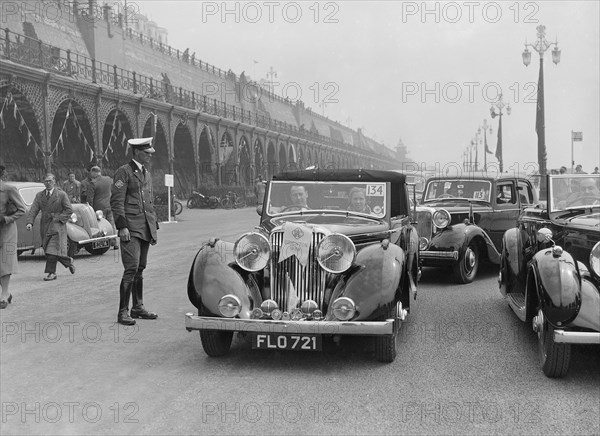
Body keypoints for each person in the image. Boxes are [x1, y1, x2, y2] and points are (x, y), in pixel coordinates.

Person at [111, 137, 159, 326]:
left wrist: (154, 224)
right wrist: (122, 226)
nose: (149, 156)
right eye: (147, 153)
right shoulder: (124, 172)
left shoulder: (145, 172)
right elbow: (116, 201)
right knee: (131, 268)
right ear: (138, 152)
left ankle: (137, 307)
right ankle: (122, 312)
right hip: (130, 227)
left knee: (140, 268)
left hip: (145, 226)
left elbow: (148, 200)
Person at [26, 173, 75, 281]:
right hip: (45, 225)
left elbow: (69, 210)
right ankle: (68, 261)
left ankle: (51, 273)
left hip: (57, 226)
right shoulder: (40, 195)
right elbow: (34, 209)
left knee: (51, 249)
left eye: (50, 181)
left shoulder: (61, 195)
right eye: (46, 181)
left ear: (54, 182)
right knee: (48, 248)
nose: (48, 183)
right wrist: (30, 222)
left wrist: (58, 217)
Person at [0, 164, 27, 308]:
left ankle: (4, 295)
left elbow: (22, 209)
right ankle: (7, 293)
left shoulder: (9, 190)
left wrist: (6, 219)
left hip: (6, 231)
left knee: (4, 263)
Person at [88, 166, 118, 249]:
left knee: (101, 226)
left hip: (99, 208)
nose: (90, 175)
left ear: (94, 172)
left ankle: (102, 243)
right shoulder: (108, 179)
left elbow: (90, 199)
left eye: (91, 173)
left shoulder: (93, 183)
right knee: (111, 224)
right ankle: (114, 242)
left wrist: (90, 210)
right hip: (109, 205)